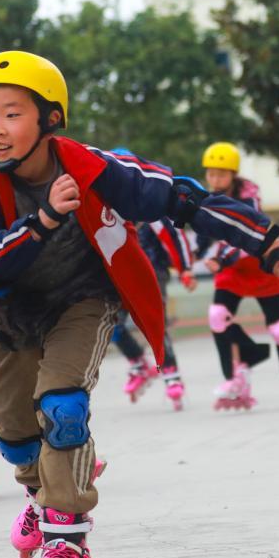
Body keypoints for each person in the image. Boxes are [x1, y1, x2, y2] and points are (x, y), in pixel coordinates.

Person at [0, 51, 279, 558]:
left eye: (11, 114)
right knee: (12, 433)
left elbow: (183, 198)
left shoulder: (89, 166)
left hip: (84, 301)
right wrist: (44, 222)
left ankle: (66, 533)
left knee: (62, 407)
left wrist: (268, 240)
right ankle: (40, 495)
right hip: (11, 312)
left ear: (50, 118)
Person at [198, 142, 279, 410]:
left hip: (260, 264)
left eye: (221, 174)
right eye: (210, 174)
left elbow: (243, 231)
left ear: (233, 174)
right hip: (231, 270)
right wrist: (202, 258)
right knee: (217, 316)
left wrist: (219, 258)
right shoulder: (206, 198)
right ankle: (237, 372)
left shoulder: (249, 195)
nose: (215, 180)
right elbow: (205, 235)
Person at [108, 148, 198, 410]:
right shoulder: (103, 204)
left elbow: (174, 236)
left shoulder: (147, 201)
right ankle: (138, 363)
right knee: (114, 324)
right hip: (120, 271)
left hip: (152, 269)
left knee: (154, 323)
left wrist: (185, 268)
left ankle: (172, 376)